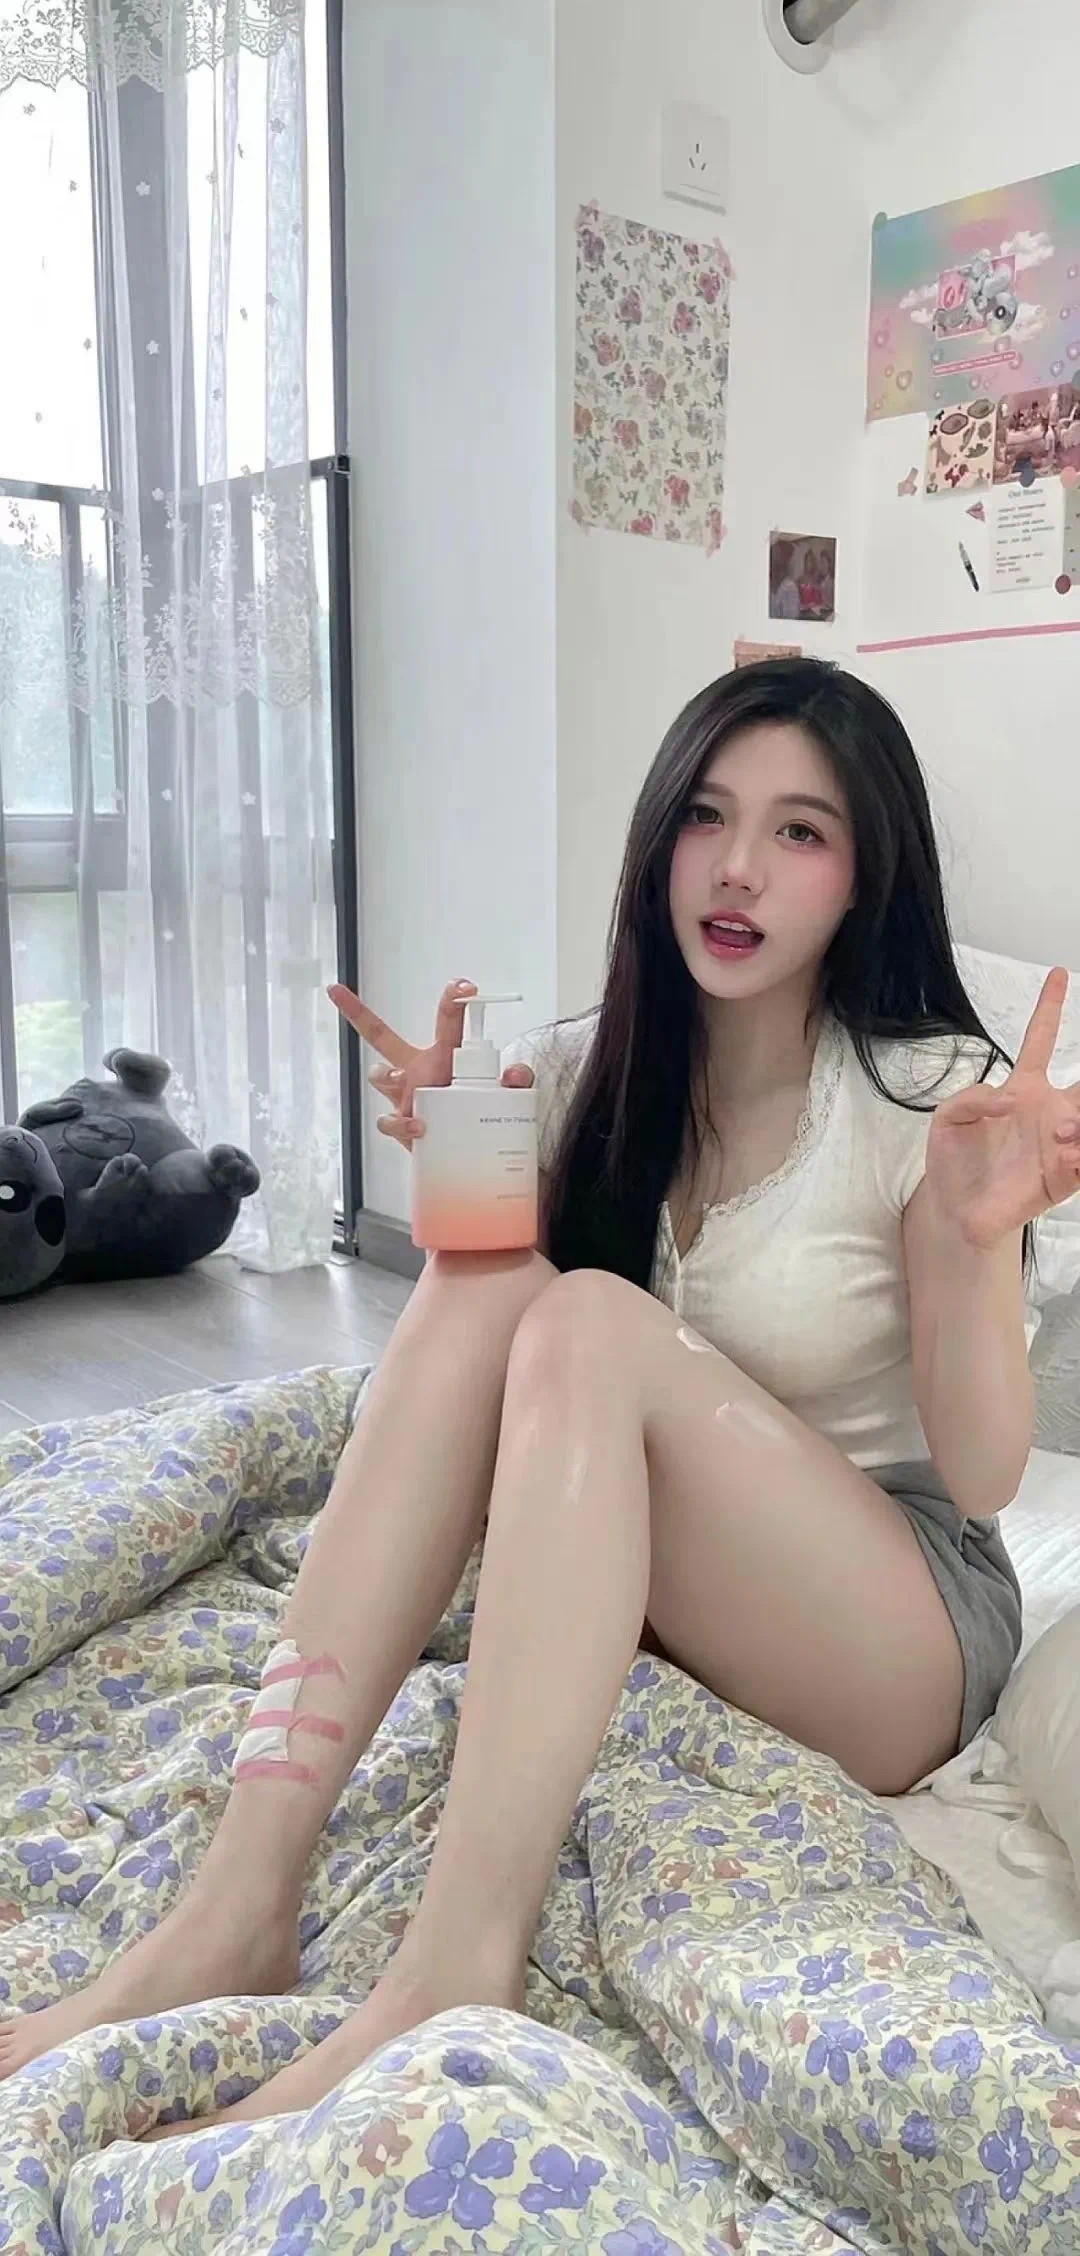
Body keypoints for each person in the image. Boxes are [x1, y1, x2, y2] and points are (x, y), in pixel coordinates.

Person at [5, 659, 1080, 2139]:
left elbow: (984, 1473)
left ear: (864, 874)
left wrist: (969, 1236)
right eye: (706, 815)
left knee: (583, 1317)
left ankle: (455, 1963)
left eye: (801, 832)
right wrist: (460, 1170)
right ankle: (236, 1905)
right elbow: (479, 1361)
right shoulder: (587, 1070)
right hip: (684, 1598)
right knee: (499, 1286)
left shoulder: (929, 1094)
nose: (739, 867)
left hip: (896, 1628)